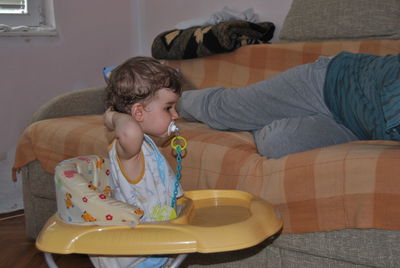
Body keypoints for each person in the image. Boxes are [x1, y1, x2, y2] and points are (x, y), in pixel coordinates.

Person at [177, 51, 400, 158]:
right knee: (226, 109)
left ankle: (255, 119)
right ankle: (173, 96)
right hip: (328, 83)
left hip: (357, 128)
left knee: (277, 143)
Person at [90, 56, 184, 268]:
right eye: (168, 108)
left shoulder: (147, 145)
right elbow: (130, 129)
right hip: (133, 255)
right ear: (138, 112)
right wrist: (112, 116)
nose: (176, 114)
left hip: (153, 245)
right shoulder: (130, 149)